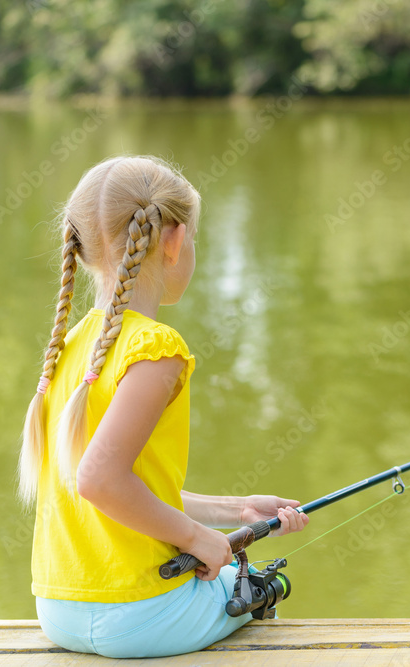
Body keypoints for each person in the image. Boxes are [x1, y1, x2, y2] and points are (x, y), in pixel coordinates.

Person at [17, 155, 309, 658]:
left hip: (58, 612)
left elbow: (126, 490)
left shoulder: (70, 348)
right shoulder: (156, 349)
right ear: (173, 241)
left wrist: (231, 511)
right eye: (194, 237)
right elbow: (100, 481)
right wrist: (197, 538)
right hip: (141, 615)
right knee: (259, 586)